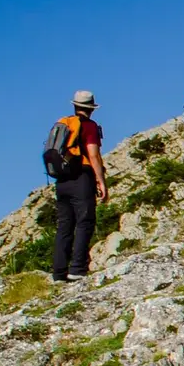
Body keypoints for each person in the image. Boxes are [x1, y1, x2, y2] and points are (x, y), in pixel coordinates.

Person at [52, 90, 108, 283]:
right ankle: (77, 268)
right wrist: (101, 180)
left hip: (61, 180)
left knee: (64, 225)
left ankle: (59, 273)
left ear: (75, 105)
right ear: (91, 108)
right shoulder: (89, 126)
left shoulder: (64, 123)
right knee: (85, 222)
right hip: (81, 177)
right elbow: (93, 155)